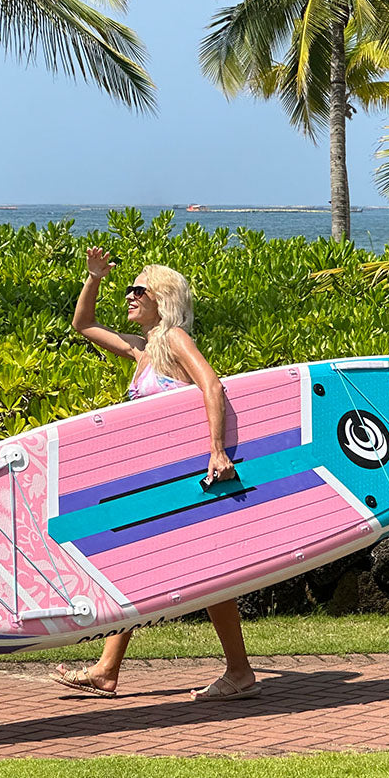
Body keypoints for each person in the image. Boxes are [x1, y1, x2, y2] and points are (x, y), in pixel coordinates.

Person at [49, 246, 259, 702]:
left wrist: (217, 451)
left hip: (186, 476)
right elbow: (83, 325)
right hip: (155, 479)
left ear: (160, 299)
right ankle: (108, 670)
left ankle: (239, 672)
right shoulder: (143, 352)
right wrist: (94, 278)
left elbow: (212, 384)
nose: (129, 296)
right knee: (135, 564)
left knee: (203, 569)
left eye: (137, 290)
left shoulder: (176, 340)